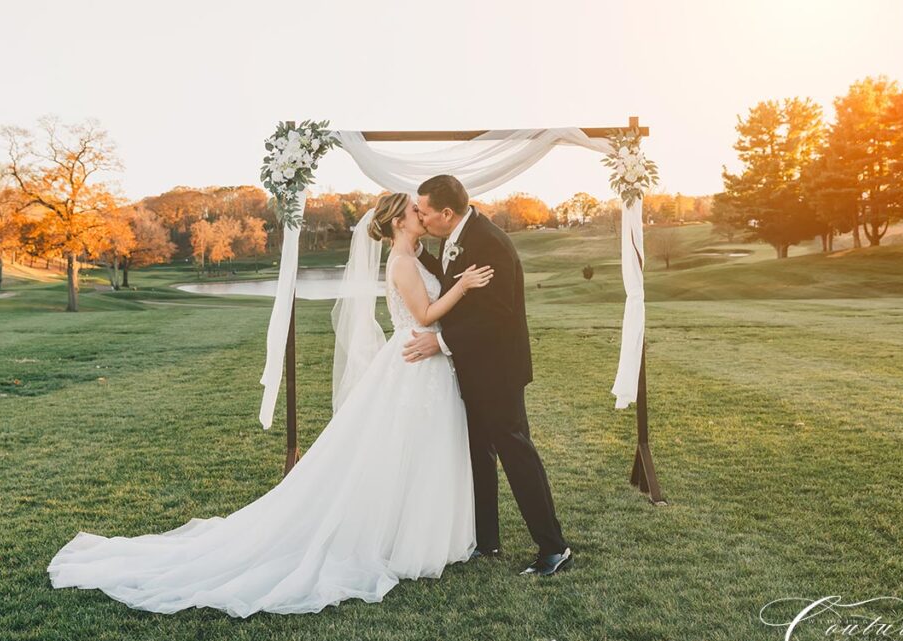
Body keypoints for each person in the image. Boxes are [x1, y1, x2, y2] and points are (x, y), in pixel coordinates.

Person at [47, 192, 493, 617]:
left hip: (423, 364)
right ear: (399, 221)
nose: (423, 214)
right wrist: (466, 287)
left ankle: (416, 533)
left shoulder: (417, 258)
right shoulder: (401, 261)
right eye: (416, 210)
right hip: (412, 363)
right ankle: (403, 539)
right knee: (404, 446)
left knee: (418, 450)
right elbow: (424, 316)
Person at [404, 174, 573, 577]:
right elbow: (453, 282)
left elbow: (498, 317)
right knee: (478, 452)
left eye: (424, 212)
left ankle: (554, 547)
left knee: (516, 451)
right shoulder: (454, 236)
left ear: (446, 213)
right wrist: (417, 255)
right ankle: (487, 540)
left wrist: (441, 344)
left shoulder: (490, 243)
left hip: (498, 368)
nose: (421, 218)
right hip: (472, 367)